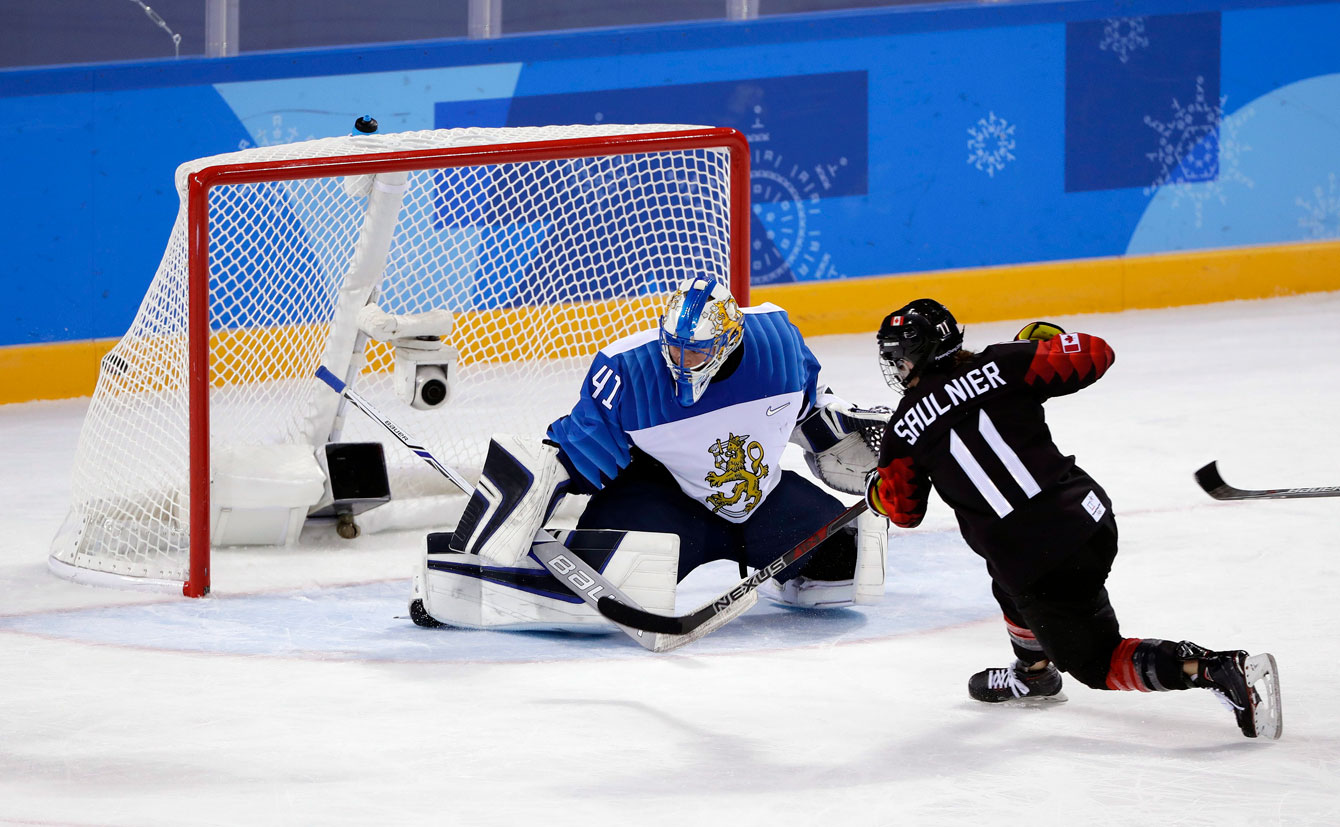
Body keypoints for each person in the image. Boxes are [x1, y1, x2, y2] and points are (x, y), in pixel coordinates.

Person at [863, 299, 1283, 739]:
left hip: (1038, 561)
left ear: (919, 353)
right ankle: (1033, 673)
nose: (897, 363)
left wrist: (878, 492)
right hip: (1089, 516)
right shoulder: (1006, 361)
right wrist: (1045, 346)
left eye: (898, 354)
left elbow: (905, 511)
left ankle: (1217, 668)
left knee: (1098, 662)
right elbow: (1094, 353)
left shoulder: (902, 431)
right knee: (1003, 577)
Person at [411, 276, 891, 633]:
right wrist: (504, 535)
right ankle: (460, 573)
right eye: (674, 349)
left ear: (727, 343)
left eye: (696, 353)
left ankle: (776, 567)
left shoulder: (779, 346)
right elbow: (572, 455)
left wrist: (837, 434)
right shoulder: (629, 371)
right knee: (599, 593)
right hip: (665, 504)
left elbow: (807, 406)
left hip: (757, 499)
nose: (681, 363)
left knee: (846, 566)